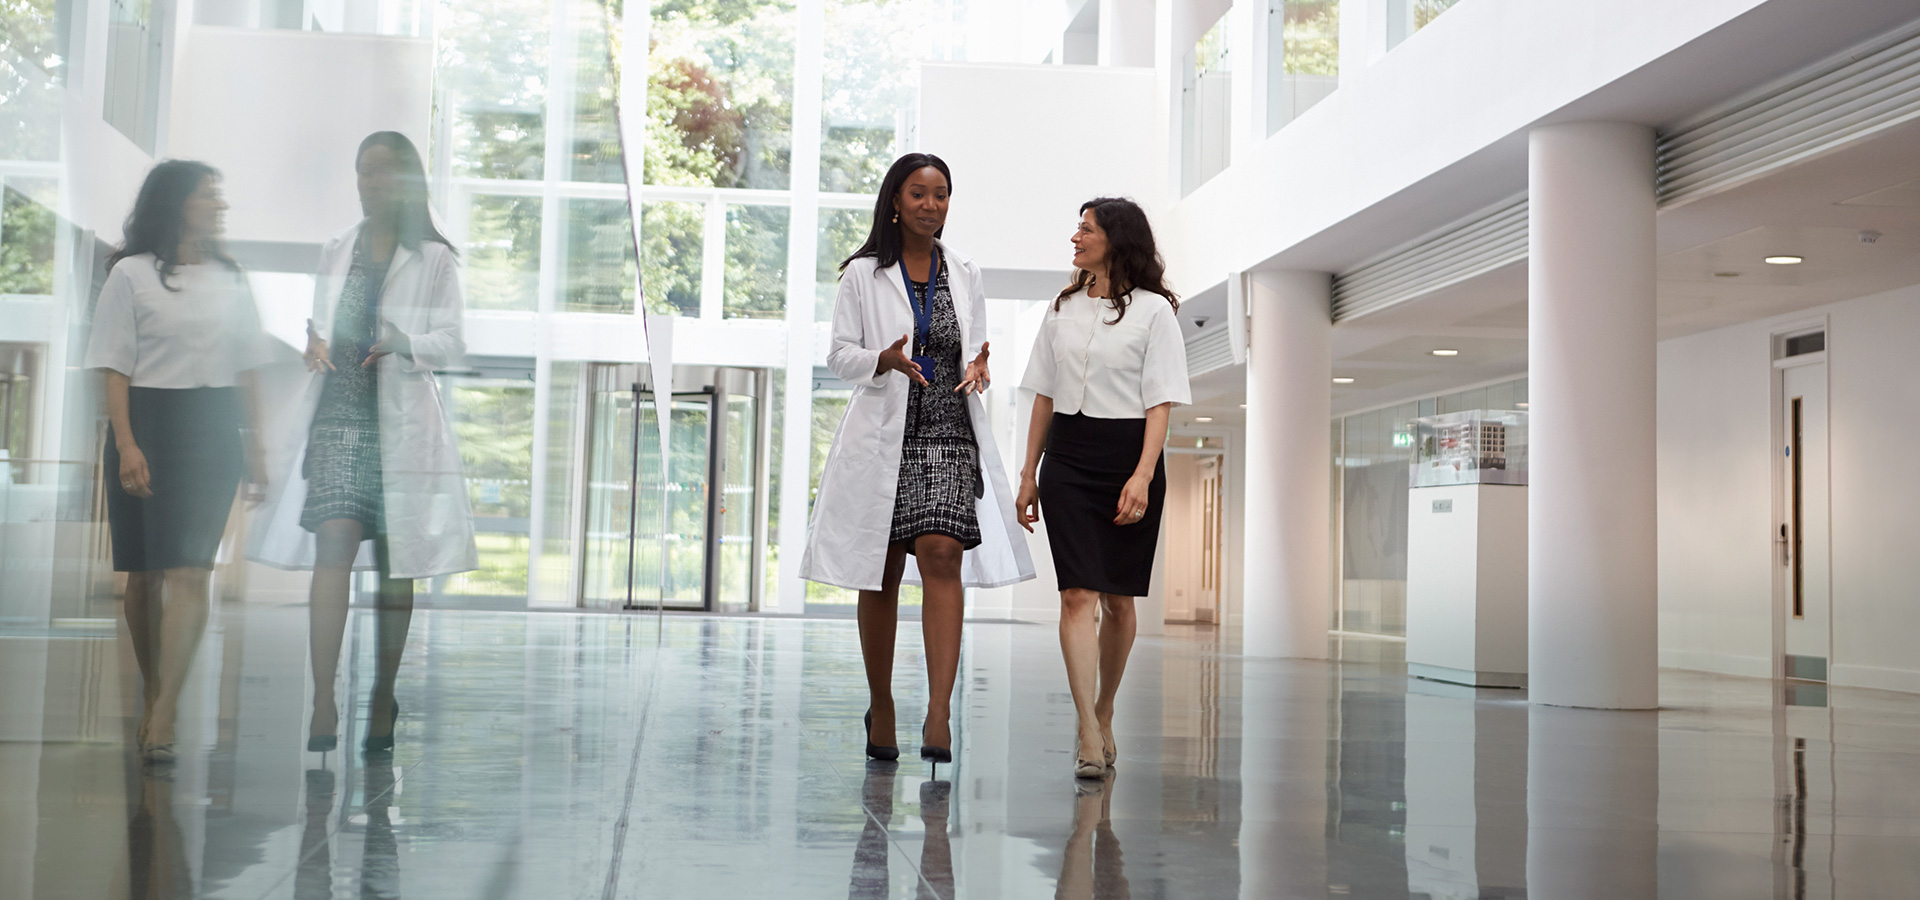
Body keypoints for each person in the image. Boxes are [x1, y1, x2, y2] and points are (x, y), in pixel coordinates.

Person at [801, 153, 1034, 764]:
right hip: (885, 432)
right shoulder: (862, 274)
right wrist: (882, 358)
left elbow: (974, 349)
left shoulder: (965, 271)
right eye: (919, 194)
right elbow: (839, 356)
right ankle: (882, 703)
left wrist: (981, 367)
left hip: (948, 427)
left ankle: (938, 711)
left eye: (941, 194)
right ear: (896, 202)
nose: (931, 205)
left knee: (941, 553)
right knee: (880, 571)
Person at [251, 131, 477, 755]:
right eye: (362, 173)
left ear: (406, 181)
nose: (369, 184)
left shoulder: (433, 257)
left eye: (381, 174)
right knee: (334, 546)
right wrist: (315, 340)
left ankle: (383, 691)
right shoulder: (337, 249)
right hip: (339, 414)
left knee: (396, 564)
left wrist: (409, 342)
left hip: (401, 423)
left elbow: (453, 341)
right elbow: (322, 323)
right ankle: (323, 696)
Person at [84, 160, 271, 764]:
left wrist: (258, 449)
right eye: (207, 195)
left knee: (192, 571)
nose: (218, 204)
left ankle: (164, 715)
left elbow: (248, 368)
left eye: (219, 195)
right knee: (144, 577)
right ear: (176, 203)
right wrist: (128, 442)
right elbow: (113, 366)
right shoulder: (130, 276)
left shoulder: (231, 279)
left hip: (213, 428)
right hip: (146, 423)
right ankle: (155, 689)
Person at [1016, 197, 1190, 779]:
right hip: (1067, 457)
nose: (1075, 237)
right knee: (1075, 596)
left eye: (1086, 229)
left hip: (1127, 456)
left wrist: (1142, 474)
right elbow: (1043, 391)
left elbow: (1160, 402)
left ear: (1115, 239)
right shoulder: (1062, 307)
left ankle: (1106, 707)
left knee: (1118, 600)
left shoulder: (1154, 312)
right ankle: (1087, 729)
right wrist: (1027, 472)